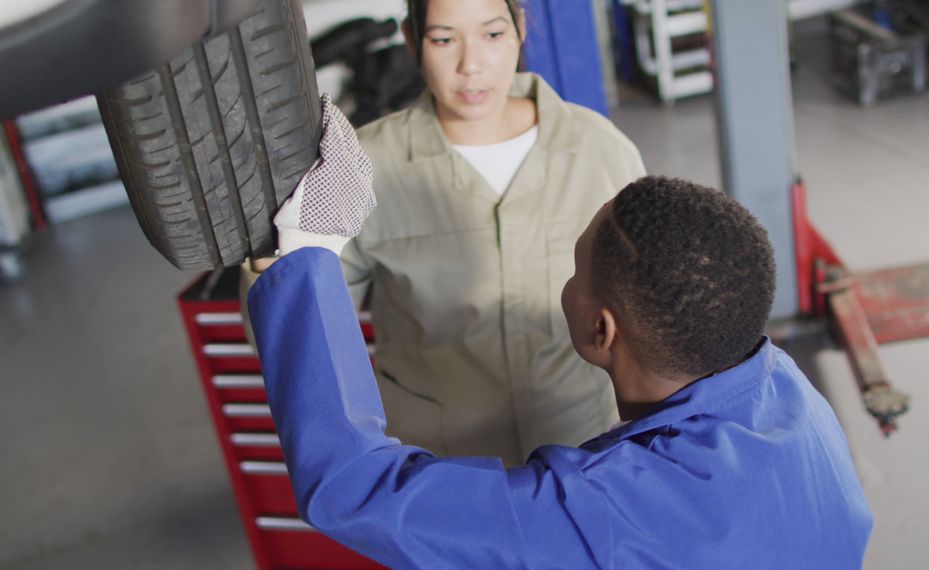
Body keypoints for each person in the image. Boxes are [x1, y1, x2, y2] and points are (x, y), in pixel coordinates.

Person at [246, 97, 873, 569]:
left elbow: (353, 490)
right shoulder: (791, 397)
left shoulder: (608, 515)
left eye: (573, 271)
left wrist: (309, 253)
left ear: (602, 330)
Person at [241, 0, 646, 466]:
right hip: (440, 467)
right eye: (444, 39)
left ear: (520, 29)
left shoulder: (601, 150)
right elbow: (297, 333)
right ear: (412, 41)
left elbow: (644, 312)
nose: (471, 65)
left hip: (581, 453)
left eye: (492, 35)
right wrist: (278, 254)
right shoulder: (359, 167)